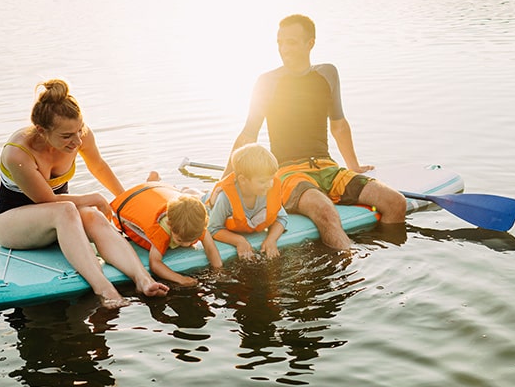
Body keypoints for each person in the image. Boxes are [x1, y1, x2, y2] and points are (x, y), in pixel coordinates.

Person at [227, 14, 407, 250]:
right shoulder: (267, 82)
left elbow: (339, 125)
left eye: (291, 42)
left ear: (310, 43)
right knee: (324, 208)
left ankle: (388, 254)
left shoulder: (327, 74)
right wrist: (224, 184)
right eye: (280, 42)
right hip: (287, 173)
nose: (283, 49)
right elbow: (247, 137)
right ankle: (351, 269)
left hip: (327, 168)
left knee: (395, 202)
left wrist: (353, 166)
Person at [0, 79, 169, 308]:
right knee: (66, 209)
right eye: (67, 136)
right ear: (41, 131)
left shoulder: (79, 135)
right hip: (11, 224)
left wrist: (125, 201)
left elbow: (98, 167)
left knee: (93, 216)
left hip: (58, 218)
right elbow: (47, 200)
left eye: (79, 130)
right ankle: (105, 290)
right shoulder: (18, 153)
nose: (77, 141)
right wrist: (94, 198)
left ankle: (143, 280)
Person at [112, 171, 223, 286]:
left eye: (191, 240)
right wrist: (180, 279)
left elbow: (211, 248)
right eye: (180, 240)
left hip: (158, 189)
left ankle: (151, 182)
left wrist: (218, 271)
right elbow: (154, 264)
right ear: (170, 225)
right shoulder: (161, 231)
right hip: (129, 202)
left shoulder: (195, 224)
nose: (186, 245)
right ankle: (151, 183)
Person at [208, 144, 289, 261]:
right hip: (211, 205)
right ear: (242, 180)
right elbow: (213, 229)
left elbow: (281, 218)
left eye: (271, 179)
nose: (269, 184)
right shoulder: (225, 198)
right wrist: (239, 241)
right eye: (263, 181)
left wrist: (271, 239)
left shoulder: (268, 190)